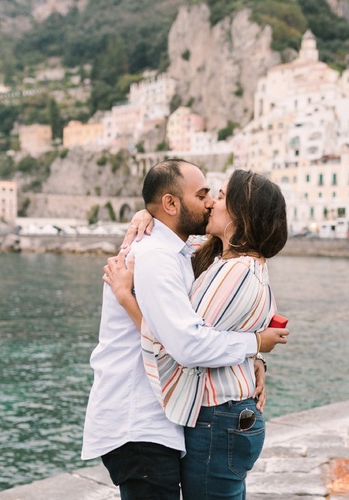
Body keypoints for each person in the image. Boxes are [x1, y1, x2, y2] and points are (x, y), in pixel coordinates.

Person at [81, 160, 289, 500]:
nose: (209, 202)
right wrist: (254, 346)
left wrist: (255, 358)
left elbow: (221, 323)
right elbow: (188, 344)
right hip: (139, 420)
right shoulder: (157, 256)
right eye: (204, 194)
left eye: (216, 195)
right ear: (171, 204)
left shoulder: (189, 252)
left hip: (166, 418)